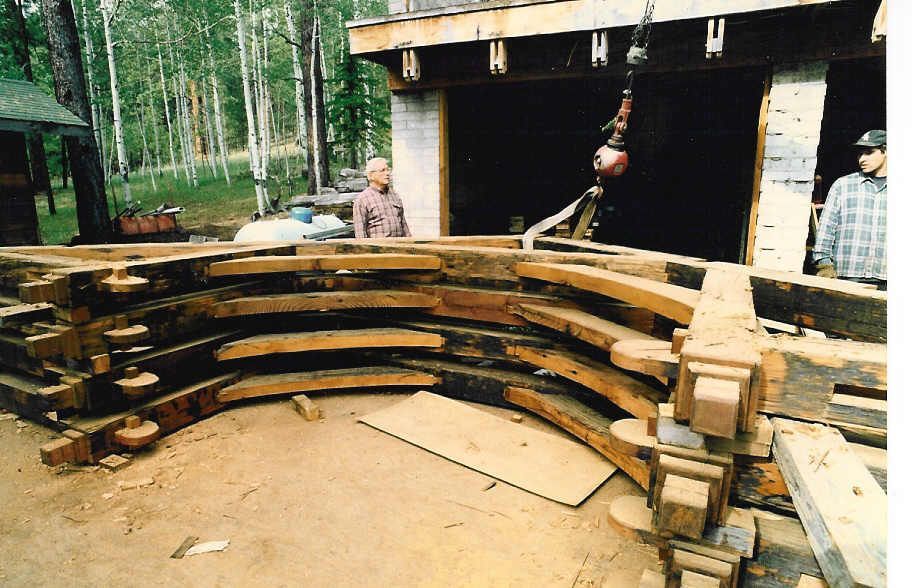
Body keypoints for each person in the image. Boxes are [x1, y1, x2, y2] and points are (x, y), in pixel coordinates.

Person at [812, 129, 887, 290]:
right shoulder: (843, 185)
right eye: (860, 154)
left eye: (869, 153)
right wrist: (824, 265)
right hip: (847, 275)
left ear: (885, 151)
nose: (862, 159)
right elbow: (826, 228)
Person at [352, 157, 411, 238]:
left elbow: (404, 226)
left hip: (398, 247)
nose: (387, 173)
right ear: (371, 176)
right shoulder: (362, 200)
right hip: (378, 249)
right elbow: (360, 235)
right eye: (383, 170)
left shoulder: (394, 195)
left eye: (388, 170)